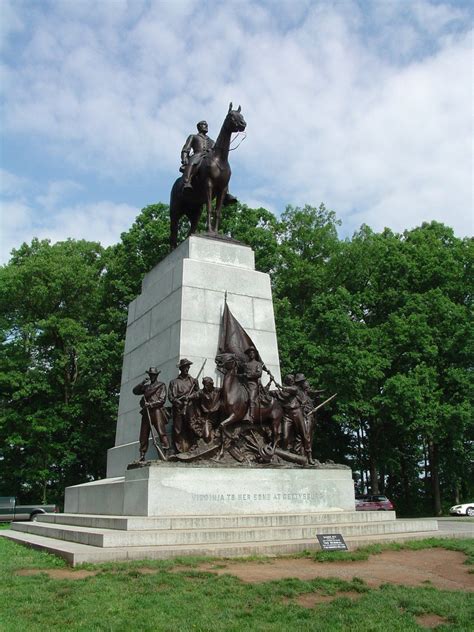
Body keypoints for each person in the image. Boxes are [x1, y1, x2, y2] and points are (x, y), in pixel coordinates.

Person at [180, 120, 237, 201]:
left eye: (206, 125)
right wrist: (184, 158)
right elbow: (186, 149)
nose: (206, 126)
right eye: (203, 124)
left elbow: (216, 151)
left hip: (209, 157)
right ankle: (187, 182)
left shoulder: (212, 141)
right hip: (198, 154)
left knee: (223, 170)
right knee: (192, 162)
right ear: (199, 127)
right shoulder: (193, 136)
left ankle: (226, 193)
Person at [132, 367, 169, 462]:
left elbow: (162, 399)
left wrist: (151, 404)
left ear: (157, 375)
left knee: (161, 432)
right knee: (143, 434)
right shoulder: (146, 387)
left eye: (153, 375)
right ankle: (142, 454)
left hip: (156, 411)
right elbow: (135, 391)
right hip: (146, 412)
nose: (152, 376)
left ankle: (166, 451)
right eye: (150, 375)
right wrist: (142, 383)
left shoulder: (161, 385)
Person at [168, 358, 199, 452]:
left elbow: (198, 394)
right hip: (178, 408)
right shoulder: (174, 382)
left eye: (188, 367)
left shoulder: (193, 381)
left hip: (190, 406)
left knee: (191, 426)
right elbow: (171, 397)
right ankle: (178, 449)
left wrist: (190, 397)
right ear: (181, 368)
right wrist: (178, 401)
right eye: (185, 367)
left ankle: (194, 445)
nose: (187, 369)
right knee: (177, 429)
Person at [240, 346, 273, 420]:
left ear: (255, 354)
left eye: (253, 353)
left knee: (251, 399)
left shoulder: (258, 364)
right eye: (250, 353)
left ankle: (251, 416)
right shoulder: (245, 364)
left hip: (253, 384)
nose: (251, 354)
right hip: (244, 384)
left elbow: (259, 374)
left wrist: (247, 375)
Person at [186, 376, 221, 444]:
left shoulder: (218, 391)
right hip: (209, 418)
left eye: (207, 385)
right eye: (204, 385)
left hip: (219, 416)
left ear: (212, 384)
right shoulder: (202, 392)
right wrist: (187, 397)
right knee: (207, 437)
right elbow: (195, 395)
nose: (205, 387)